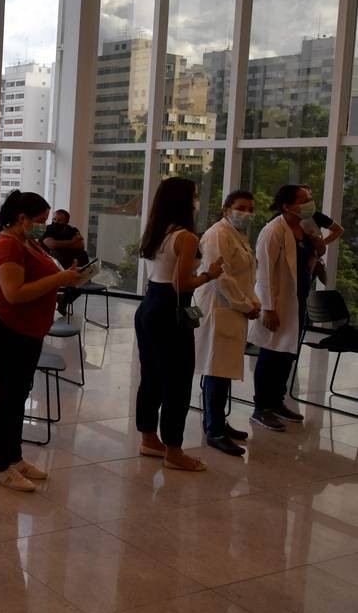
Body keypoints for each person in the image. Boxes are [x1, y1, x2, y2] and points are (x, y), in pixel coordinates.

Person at [0, 191, 82, 492]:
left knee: (18, 395)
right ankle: (2, 464)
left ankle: (14, 457)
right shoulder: (7, 246)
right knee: (9, 397)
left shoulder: (27, 242)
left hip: (28, 330)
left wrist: (65, 277)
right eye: (40, 221)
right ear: (22, 218)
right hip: (10, 329)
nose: (45, 226)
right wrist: (60, 279)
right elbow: (14, 294)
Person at [135, 177, 223, 472]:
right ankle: (174, 449)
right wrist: (209, 275)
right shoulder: (186, 237)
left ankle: (149, 437)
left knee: (151, 376)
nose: (197, 201)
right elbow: (182, 282)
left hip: (149, 305)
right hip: (172, 308)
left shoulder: (156, 231)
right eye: (195, 195)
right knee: (178, 380)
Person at [248, 184, 326, 431]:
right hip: (278, 301)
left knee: (288, 354)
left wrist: (317, 244)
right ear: (287, 205)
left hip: (299, 299)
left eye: (310, 198)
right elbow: (265, 273)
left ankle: (278, 401)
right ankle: (261, 407)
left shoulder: (306, 225)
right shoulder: (273, 231)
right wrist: (268, 308)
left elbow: (317, 252)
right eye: (304, 199)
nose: (309, 202)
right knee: (271, 353)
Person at [193, 190, 260, 456]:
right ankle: (215, 430)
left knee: (223, 369)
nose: (246, 213)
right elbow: (220, 278)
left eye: (250, 209)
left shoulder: (238, 235)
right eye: (241, 207)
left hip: (235, 309)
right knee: (216, 369)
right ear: (226, 209)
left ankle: (218, 421)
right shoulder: (217, 234)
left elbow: (247, 275)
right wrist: (245, 305)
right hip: (219, 308)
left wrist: (252, 302)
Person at [41, 209, 90, 315]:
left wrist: (62, 245)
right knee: (58, 253)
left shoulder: (73, 230)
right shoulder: (47, 229)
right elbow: (52, 245)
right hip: (49, 264)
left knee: (81, 281)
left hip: (71, 264)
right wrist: (72, 242)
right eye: (54, 219)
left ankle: (63, 299)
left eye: (59, 220)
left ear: (66, 222)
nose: (56, 222)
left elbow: (81, 246)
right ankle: (60, 298)